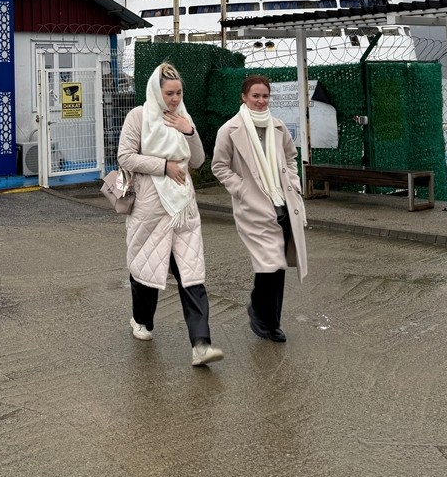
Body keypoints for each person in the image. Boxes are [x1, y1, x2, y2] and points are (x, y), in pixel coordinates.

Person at [118, 61, 224, 367]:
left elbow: (198, 161)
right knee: (146, 273)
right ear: (157, 91)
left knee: (192, 275)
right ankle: (141, 319)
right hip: (150, 210)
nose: (175, 99)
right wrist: (164, 166)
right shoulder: (138, 116)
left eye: (178, 93)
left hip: (183, 209)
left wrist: (189, 130)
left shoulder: (183, 117)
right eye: (169, 93)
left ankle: (201, 344)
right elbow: (125, 157)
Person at [211, 74, 309, 343]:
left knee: (278, 266)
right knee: (270, 263)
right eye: (255, 95)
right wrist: (242, 189)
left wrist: (293, 183)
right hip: (253, 207)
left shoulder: (277, 126)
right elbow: (219, 166)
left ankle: (269, 318)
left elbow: (290, 156)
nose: (261, 101)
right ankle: (264, 319)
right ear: (244, 97)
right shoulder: (230, 129)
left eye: (265, 96)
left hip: (282, 205)